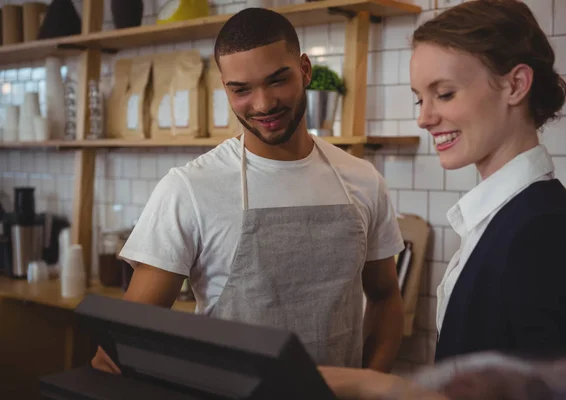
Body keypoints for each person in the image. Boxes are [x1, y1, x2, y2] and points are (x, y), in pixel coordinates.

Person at [91, 7, 406, 374]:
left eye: (277, 81)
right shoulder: (190, 188)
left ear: (305, 71)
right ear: (225, 88)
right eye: (241, 90)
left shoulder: (363, 179)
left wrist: (369, 386)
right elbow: (119, 348)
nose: (263, 104)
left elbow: (385, 298)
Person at [319, 0, 566, 397]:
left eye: (445, 94)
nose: (424, 117)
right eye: (420, 98)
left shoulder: (544, 232)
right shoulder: (503, 218)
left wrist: (375, 385)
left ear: (516, 85)